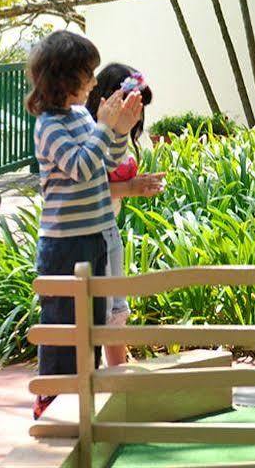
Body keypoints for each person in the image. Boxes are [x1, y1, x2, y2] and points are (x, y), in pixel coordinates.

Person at [26, 31, 145, 419]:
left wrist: (120, 128)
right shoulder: (48, 126)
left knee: (92, 324)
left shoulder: (79, 116)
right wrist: (103, 127)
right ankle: (52, 400)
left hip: (94, 234)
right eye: (88, 74)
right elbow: (79, 166)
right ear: (63, 79)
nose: (94, 82)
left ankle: (82, 399)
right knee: (64, 324)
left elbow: (106, 160)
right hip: (65, 243)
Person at [84, 63, 167, 368]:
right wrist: (131, 188)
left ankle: (119, 381)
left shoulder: (114, 137)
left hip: (109, 231)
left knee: (115, 312)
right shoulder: (94, 135)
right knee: (103, 314)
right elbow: (85, 190)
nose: (137, 112)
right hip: (92, 234)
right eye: (132, 102)